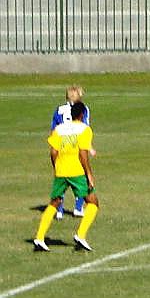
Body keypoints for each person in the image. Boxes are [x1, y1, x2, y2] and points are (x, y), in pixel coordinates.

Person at [33, 102, 98, 252]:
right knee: (93, 202)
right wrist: (89, 174)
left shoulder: (59, 129)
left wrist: (56, 168)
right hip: (76, 171)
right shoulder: (84, 129)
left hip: (60, 171)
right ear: (82, 114)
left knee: (54, 202)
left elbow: (53, 152)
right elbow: (83, 153)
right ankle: (80, 235)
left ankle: (40, 237)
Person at [50, 86, 94, 220]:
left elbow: (53, 129)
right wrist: (89, 146)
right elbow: (84, 127)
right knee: (81, 177)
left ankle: (59, 211)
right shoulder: (83, 109)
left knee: (60, 179)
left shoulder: (59, 109)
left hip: (61, 146)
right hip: (76, 146)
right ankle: (78, 207)